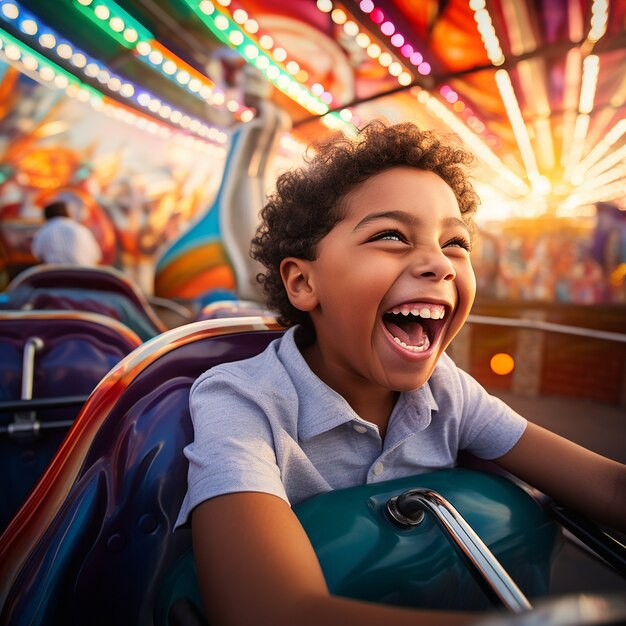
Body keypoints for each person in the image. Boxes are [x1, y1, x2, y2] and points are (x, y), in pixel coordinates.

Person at [176, 122, 626, 626]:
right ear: (303, 281)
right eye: (391, 235)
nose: (440, 262)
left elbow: (608, 490)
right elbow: (266, 611)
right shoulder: (240, 399)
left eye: (456, 242)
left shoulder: (448, 391)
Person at [31, 201, 102, 266]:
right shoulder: (82, 229)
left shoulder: (44, 231)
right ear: (67, 213)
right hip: (86, 276)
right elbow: (97, 257)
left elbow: (38, 255)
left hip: (56, 276)